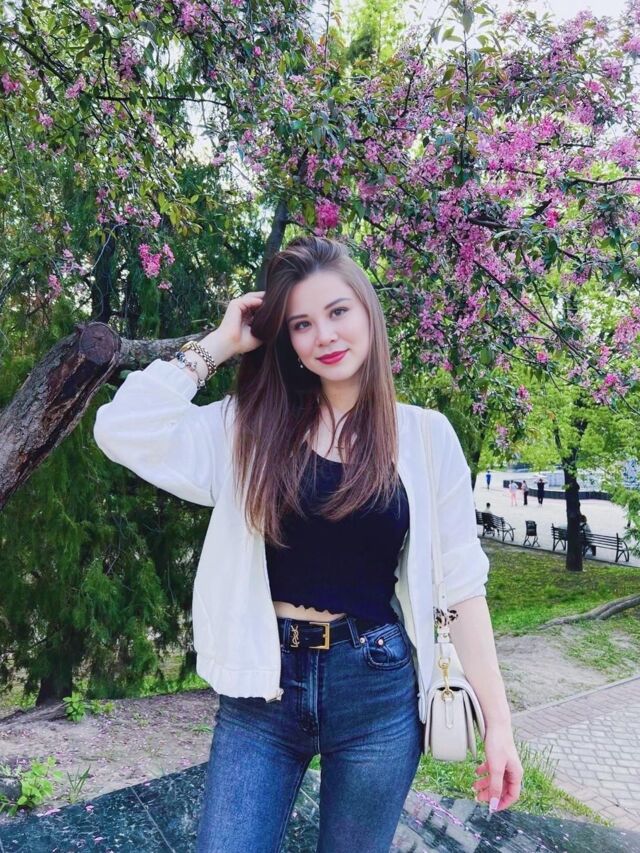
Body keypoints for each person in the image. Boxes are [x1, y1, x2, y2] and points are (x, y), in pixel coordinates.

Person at [93, 235, 522, 851]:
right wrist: (219, 344)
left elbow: (460, 588)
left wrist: (500, 725)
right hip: (262, 689)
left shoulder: (426, 438)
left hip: (374, 688)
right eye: (301, 323)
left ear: (367, 311)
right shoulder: (251, 426)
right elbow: (121, 429)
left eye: (337, 311)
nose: (324, 335)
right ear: (287, 339)